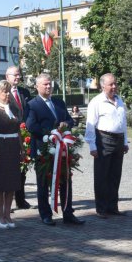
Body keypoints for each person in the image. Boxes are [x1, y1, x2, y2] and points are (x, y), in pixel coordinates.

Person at [26, 73, 85, 226]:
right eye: (45, 84)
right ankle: (46, 214)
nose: (48, 86)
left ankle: (68, 213)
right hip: (43, 150)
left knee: (66, 181)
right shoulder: (32, 104)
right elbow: (31, 126)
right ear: (37, 86)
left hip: (63, 149)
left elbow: (70, 120)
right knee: (43, 184)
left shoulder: (59, 102)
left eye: (50, 84)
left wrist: (66, 124)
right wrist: (51, 133)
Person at [84, 73, 129, 218]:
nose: (114, 87)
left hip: (119, 140)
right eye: (111, 84)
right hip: (103, 139)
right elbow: (90, 125)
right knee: (102, 176)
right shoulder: (96, 102)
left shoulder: (120, 100)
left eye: (115, 83)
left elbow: (123, 123)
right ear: (103, 86)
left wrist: (125, 142)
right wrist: (92, 146)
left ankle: (112, 206)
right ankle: (101, 208)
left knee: (115, 175)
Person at [0, 80, 23, 229]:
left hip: (13, 148)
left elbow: (18, 130)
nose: (7, 94)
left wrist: (21, 149)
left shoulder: (14, 109)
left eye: (9, 91)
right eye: (4, 91)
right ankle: (0, 215)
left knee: (11, 184)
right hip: (0, 148)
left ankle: (8, 214)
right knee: (0, 185)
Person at [5, 66, 32, 210]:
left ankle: (20, 200)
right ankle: (7, 202)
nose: (17, 77)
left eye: (19, 75)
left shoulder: (25, 92)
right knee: (9, 171)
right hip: (9, 136)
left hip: (25, 135)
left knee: (22, 169)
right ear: (7, 76)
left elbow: (30, 111)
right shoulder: (3, 92)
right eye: (14, 75)